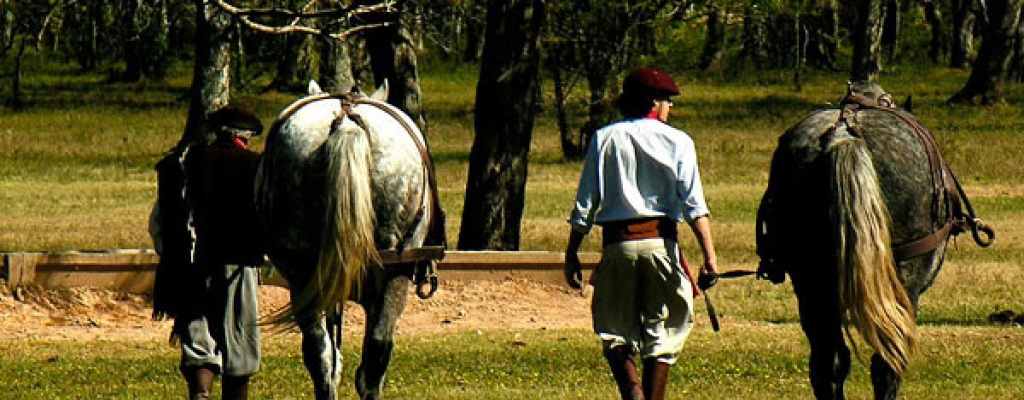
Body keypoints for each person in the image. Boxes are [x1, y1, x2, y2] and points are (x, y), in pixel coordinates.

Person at [564, 68, 720, 400]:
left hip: (618, 246)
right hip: (661, 245)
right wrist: (710, 257)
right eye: (666, 99)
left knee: (614, 328)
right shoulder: (679, 141)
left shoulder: (604, 138)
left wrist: (572, 251)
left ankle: (632, 391)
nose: (670, 106)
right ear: (652, 102)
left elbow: (585, 204)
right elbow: (695, 206)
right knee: (664, 332)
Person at [152, 104, 265, 400]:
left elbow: (160, 222)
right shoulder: (256, 167)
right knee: (239, 345)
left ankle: (201, 395)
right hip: (238, 264)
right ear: (245, 137)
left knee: (198, 342)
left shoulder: (179, 163)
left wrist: (174, 257)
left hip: (189, 265)